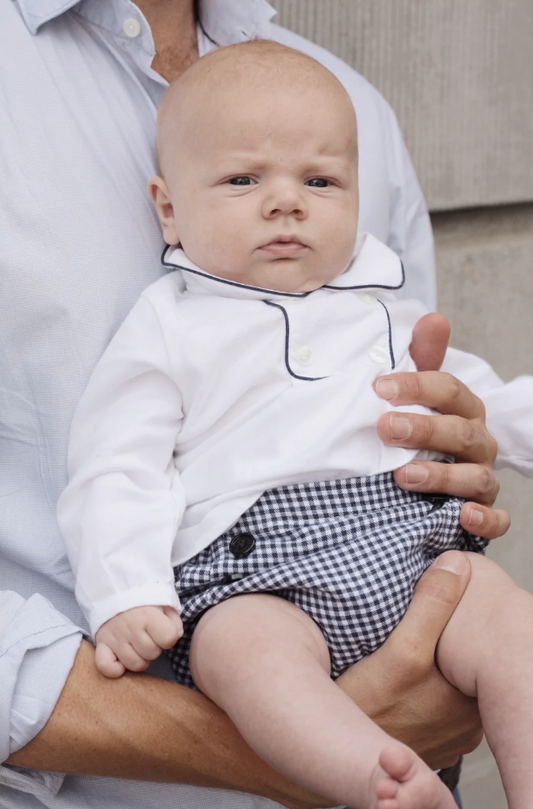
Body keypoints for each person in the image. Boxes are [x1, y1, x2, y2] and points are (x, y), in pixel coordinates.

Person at [2, 2, 532, 808]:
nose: (287, 203)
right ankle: (379, 778)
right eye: (243, 181)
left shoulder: (368, 288)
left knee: (511, 626)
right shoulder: (170, 327)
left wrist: (470, 442)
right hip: (250, 568)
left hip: (400, 543)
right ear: (169, 207)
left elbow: (473, 389)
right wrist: (128, 591)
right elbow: (119, 465)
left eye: (319, 183)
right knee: (251, 658)